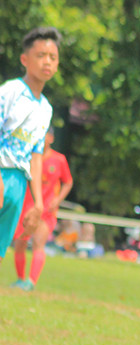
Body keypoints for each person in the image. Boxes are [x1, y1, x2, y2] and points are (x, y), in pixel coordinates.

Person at [0, 28, 60, 274]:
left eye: (53, 57)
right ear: (25, 59)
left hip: (18, 183)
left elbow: (36, 156)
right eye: (41, 55)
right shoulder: (10, 91)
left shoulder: (45, 109)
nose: (47, 62)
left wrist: (38, 204)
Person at [12, 128, 72, 290]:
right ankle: (20, 279)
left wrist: (57, 200)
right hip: (26, 208)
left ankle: (31, 282)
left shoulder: (59, 159)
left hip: (46, 211)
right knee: (20, 243)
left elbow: (68, 182)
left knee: (38, 242)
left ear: (50, 138)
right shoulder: (27, 156)